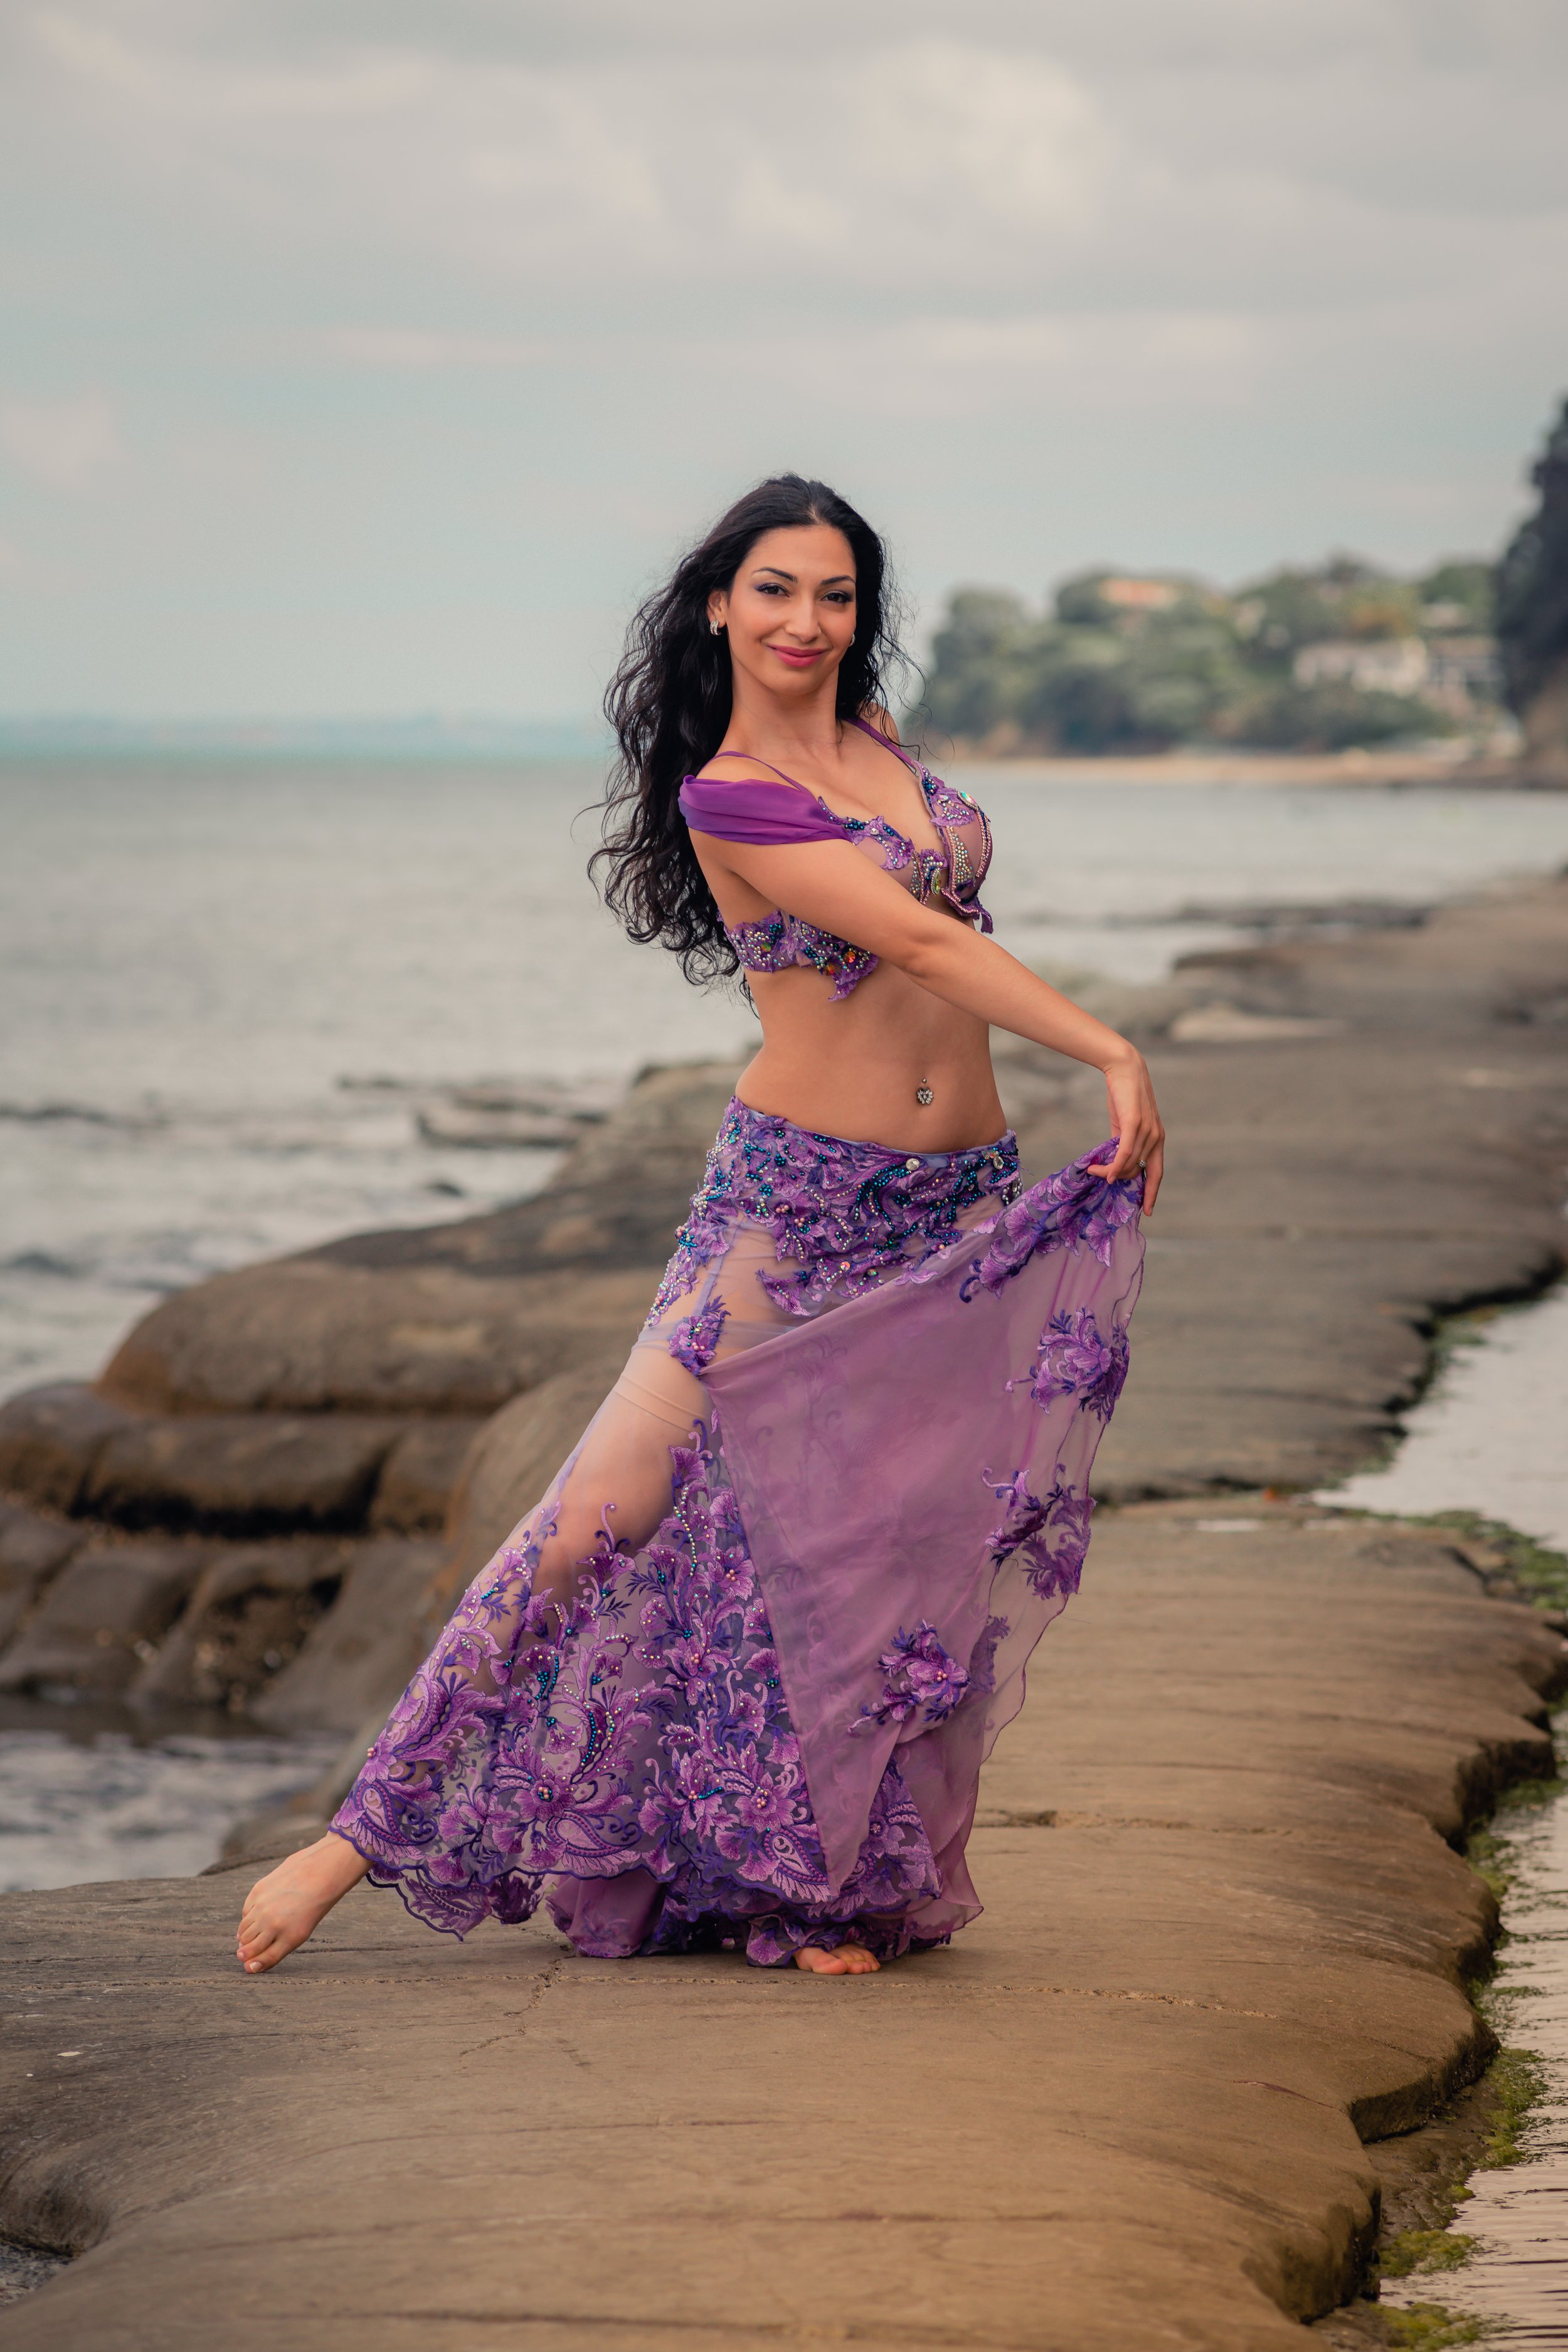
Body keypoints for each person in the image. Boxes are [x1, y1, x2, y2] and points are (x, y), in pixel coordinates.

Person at [237, 474, 1163, 1979]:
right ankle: (351, 1839)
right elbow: (914, 936)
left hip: (954, 1198)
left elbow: (941, 929)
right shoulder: (726, 790)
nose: (808, 621)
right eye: (776, 590)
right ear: (720, 604)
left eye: (836, 594)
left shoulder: (878, 746)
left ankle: (812, 1884)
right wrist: (1109, 1050)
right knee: (596, 1513)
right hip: (795, 1202)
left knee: (877, 1548)